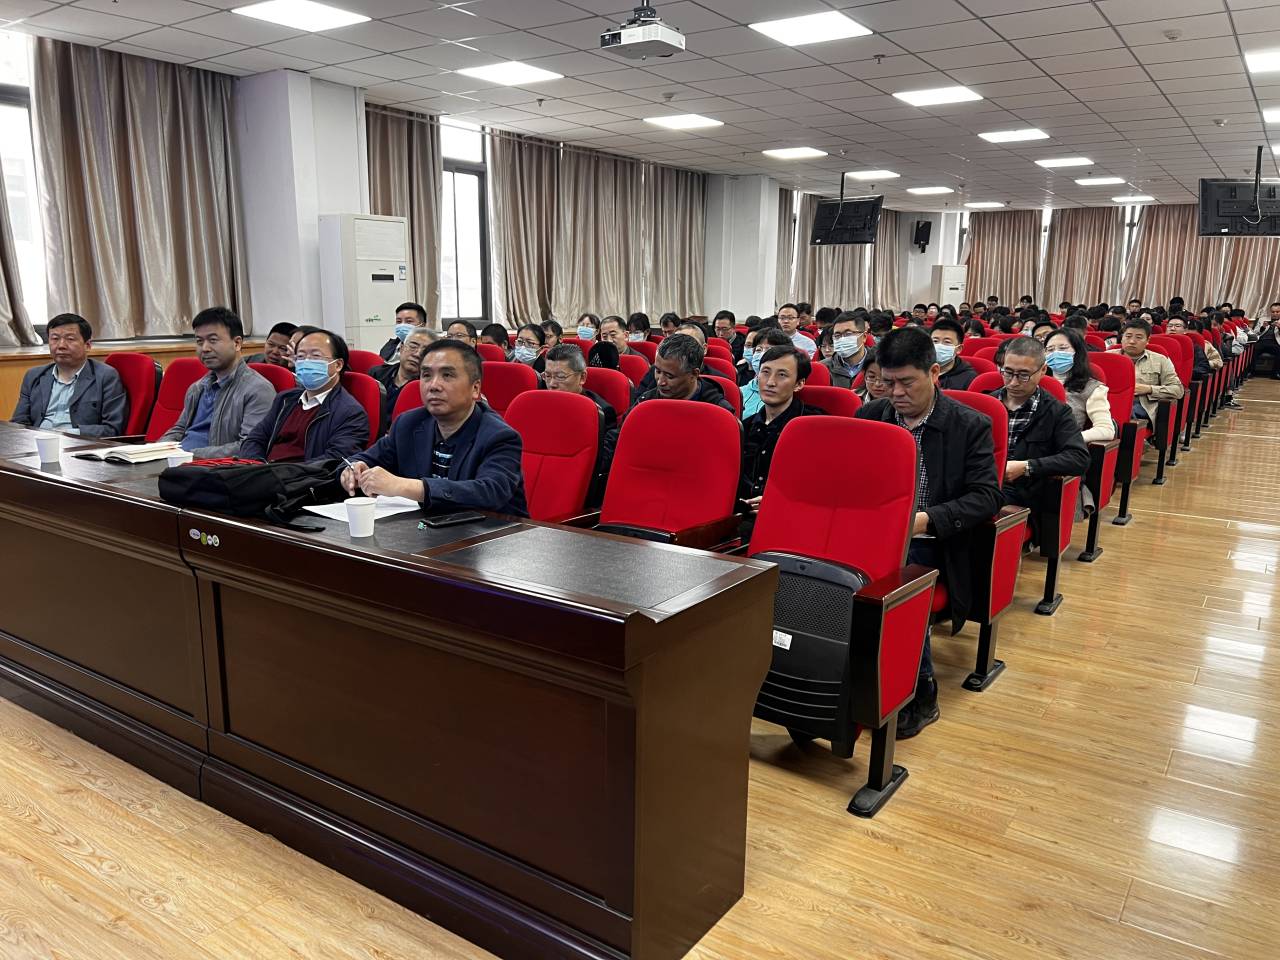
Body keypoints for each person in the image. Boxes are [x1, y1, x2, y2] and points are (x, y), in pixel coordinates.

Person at [856, 327, 1002, 738]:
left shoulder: (968, 424)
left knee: (899, 577)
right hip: (871, 536)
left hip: (934, 541)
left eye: (907, 382)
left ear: (934, 373)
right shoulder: (871, 417)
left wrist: (924, 520)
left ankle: (922, 692)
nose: (896, 392)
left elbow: (987, 496)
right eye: (887, 382)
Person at [340, 340, 528, 516]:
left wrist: (403, 486)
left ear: (475, 389)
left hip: (494, 534)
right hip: (428, 531)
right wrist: (353, 469)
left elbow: (489, 492)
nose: (433, 386)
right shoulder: (408, 423)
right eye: (426, 375)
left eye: (447, 375)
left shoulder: (499, 436)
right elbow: (365, 458)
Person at [987, 338, 1089, 521]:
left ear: (1042, 370)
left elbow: (1079, 458)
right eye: (1007, 372)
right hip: (980, 481)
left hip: (1022, 492)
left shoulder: (1056, 412)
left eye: (1023, 375)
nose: (1013, 382)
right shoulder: (987, 404)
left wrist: (1027, 466)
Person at [160, 307, 275, 458]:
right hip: (179, 461)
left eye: (213, 340)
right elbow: (179, 429)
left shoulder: (258, 390)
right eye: (199, 341)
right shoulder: (197, 388)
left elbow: (248, 446)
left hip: (211, 467)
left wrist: (189, 455)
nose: (205, 348)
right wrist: (155, 451)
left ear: (237, 343)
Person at [239, 329, 368, 463]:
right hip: (263, 471)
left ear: (338, 365)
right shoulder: (285, 400)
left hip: (303, 475)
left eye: (315, 356)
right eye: (300, 356)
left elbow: (334, 460)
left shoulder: (350, 412)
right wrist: (257, 466)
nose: (306, 362)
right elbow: (254, 439)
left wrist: (278, 472)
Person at [11, 313, 128, 437]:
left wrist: (64, 434)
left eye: (70, 339)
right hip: (37, 442)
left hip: (80, 444)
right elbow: (19, 422)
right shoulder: (34, 376)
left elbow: (112, 429)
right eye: (55, 339)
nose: (61, 345)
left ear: (87, 345)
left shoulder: (105, 376)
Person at [739, 346, 815, 533]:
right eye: (765, 372)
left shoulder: (813, 428)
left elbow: (818, 486)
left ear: (799, 384)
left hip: (791, 520)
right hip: (740, 518)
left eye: (782, 375)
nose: (770, 382)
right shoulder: (743, 427)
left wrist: (777, 502)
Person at [631, 334, 735, 414]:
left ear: (694, 374)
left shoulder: (719, 412)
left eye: (670, 376)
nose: (660, 382)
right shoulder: (645, 403)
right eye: (658, 371)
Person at [368, 327, 438, 424]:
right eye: (413, 346)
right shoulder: (376, 374)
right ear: (401, 349)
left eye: (425, 351)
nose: (417, 354)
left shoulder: (428, 387)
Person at [1120, 319, 1183, 424]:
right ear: (1122, 338)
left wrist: (1149, 389)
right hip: (1108, 402)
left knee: (1125, 412)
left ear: (1148, 340)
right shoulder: (1108, 357)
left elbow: (1178, 390)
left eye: (1138, 337)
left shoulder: (1160, 360)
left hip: (1141, 406)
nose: (1132, 341)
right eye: (1128, 336)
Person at [542, 343, 618, 430]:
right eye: (547, 376)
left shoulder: (600, 412)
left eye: (560, 376)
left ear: (582, 377)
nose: (552, 384)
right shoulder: (538, 403)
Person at [740, 327, 792, 417]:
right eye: (758, 350)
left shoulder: (785, 394)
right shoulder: (739, 392)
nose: (762, 355)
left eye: (769, 351)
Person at [821, 311, 870, 388]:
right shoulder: (823, 367)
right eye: (837, 335)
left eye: (848, 334)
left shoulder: (879, 365)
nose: (842, 339)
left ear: (864, 337)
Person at [931, 317, 977, 390]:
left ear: (958, 349)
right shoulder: (919, 369)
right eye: (935, 341)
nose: (939, 346)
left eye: (947, 342)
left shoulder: (969, 378)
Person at [1251, 302, 1280, 378]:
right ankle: (1251, 372)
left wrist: (1279, 327)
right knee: (1254, 349)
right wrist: (1263, 327)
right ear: (1270, 312)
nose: (1275, 314)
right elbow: (1255, 332)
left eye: (1277, 312)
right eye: (1273, 312)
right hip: (1262, 342)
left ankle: (1275, 373)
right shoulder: (1262, 319)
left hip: (1275, 343)